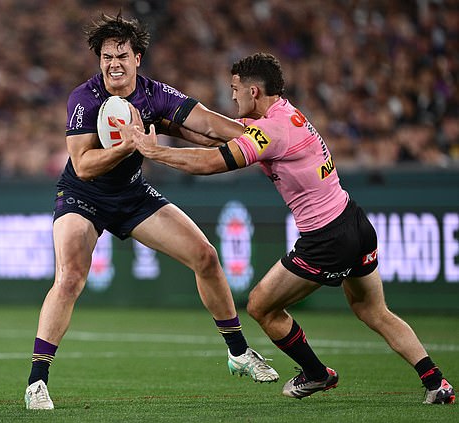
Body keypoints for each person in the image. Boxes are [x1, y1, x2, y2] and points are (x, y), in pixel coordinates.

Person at [115, 52, 455, 405]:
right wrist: (169, 125)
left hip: (327, 237)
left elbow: (213, 163)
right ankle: (436, 382)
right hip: (354, 220)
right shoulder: (286, 117)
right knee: (374, 311)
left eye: (236, 89)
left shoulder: (271, 131)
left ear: (255, 92)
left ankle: (317, 374)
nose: (233, 96)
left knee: (261, 305)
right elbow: (218, 136)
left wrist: (154, 153)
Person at [24, 15, 279, 410]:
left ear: (138, 58)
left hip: (131, 194)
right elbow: (83, 165)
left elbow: (208, 123)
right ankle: (37, 382)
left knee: (206, 256)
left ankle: (239, 353)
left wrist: (263, 135)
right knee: (71, 276)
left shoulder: (155, 94)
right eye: (106, 57)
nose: (113, 64)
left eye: (121, 55)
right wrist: (130, 147)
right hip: (82, 195)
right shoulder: (84, 98)